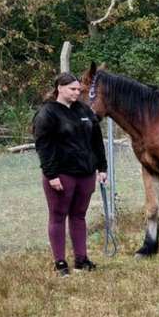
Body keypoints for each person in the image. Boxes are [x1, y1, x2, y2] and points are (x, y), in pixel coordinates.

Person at [33, 72, 108, 276]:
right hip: (61, 174)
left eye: (78, 89)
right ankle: (60, 263)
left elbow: (96, 141)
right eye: (72, 89)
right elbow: (44, 147)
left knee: (79, 215)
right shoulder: (47, 113)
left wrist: (102, 168)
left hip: (85, 173)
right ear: (60, 88)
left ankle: (81, 260)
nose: (76, 93)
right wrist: (51, 175)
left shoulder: (84, 110)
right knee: (58, 216)